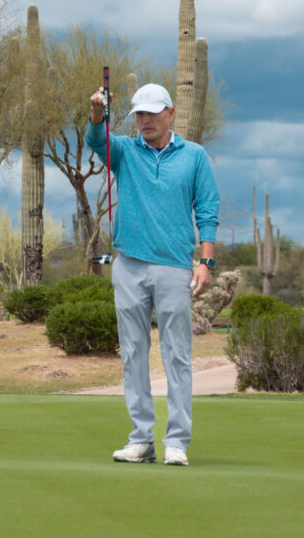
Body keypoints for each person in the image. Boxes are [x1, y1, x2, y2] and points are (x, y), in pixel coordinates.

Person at [87, 82, 219, 467]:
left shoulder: (194, 156)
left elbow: (207, 209)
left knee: (177, 354)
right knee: (132, 353)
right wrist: (97, 111)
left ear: (170, 113)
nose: (144, 120)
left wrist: (206, 262)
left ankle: (176, 441)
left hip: (174, 266)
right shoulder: (125, 151)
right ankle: (141, 440)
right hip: (128, 265)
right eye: (138, 114)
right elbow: (96, 140)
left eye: (151, 113)